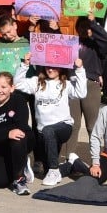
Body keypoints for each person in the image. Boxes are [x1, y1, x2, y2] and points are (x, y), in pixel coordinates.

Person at [16, 55, 87, 187]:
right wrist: (25, 65)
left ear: (60, 68)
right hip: (44, 133)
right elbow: (18, 84)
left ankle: (54, 170)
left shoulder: (65, 84)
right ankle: (71, 165)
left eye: (54, 66)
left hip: (63, 127)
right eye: (48, 66)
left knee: (49, 133)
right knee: (47, 167)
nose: (50, 69)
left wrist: (80, 69)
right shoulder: (37, 82)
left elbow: (81, 93)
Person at [0, 71, 35, 195]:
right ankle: (17, 166)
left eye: (4, 87)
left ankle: (20, 179)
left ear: (11, 88)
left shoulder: (19, 101)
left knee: (17, 137)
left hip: (22, 141)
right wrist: (6, 133)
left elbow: (21, 126)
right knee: (0, 182)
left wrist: (1, 133)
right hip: (1, 143)